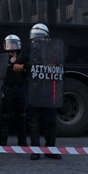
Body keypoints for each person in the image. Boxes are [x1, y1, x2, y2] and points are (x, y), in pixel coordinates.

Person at [26, 23, 62, 161]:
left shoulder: (52, 51)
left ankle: (50, 148)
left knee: (51, 120)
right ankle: (35, 150)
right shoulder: (28, 51)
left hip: (48, 89)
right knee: (34, 120)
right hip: (34, 89)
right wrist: (27, 65)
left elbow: (59, 66)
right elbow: (17, 66)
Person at [0, 34, 28, 147]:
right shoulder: (3, 58)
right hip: (8, 88)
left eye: (13, 44)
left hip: (20, 88)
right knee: (5, 116)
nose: (11, 46)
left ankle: (22, 143)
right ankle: (2, 143)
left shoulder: (23, 57)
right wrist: (1, 89)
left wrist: (18, 62)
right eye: (9, 44)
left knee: (21, 116)